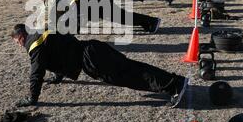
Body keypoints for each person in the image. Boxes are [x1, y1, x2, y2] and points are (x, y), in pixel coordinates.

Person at [10, 25, 189, 108]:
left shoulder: (33, 44)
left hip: (91, 59)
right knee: (133, 69)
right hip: (93, 48)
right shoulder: (42, 31)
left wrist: (32, 98)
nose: (20, 46)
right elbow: (59, 50)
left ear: (21, 37)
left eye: (18, 42)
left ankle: (174, 84)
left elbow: (37, 71)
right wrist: (59, 74)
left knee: (132, 74)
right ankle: (172, 82)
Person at [49, 0, 161, 33]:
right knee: (125, 19)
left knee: (126, 18)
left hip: (104, 8)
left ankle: (153, 21)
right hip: (103, 9)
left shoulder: (72, 0)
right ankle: (147, 24)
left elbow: (80, 17)